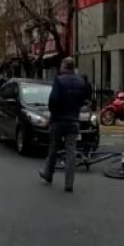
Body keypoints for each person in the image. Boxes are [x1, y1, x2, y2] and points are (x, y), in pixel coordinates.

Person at [39, 57, 87, 193]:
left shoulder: (59, 80)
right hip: (73, 120)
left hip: (59, 119)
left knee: (53, 148)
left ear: (64, 66)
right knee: (71, 152)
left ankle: (48, 174)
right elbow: (83, 99)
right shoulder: (80, 81)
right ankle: (69, 183)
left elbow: (53, 99)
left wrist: (52, 114)